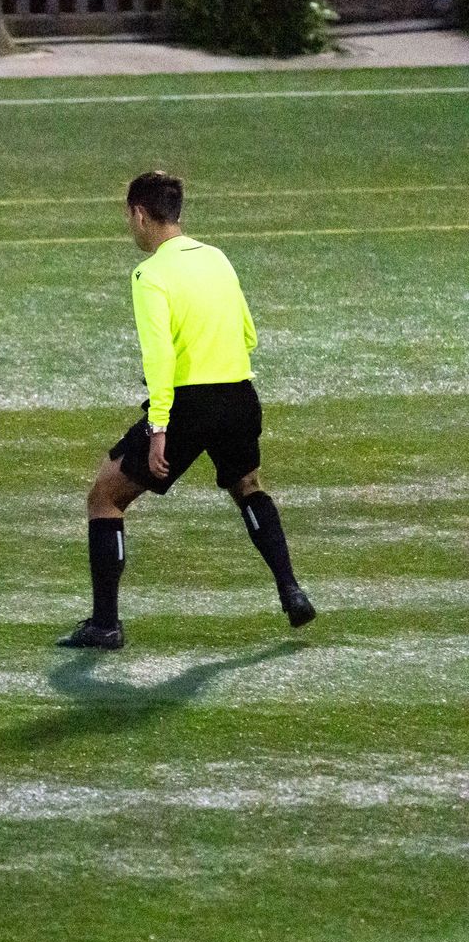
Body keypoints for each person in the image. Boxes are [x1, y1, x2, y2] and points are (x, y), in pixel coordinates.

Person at [58, 171, 315, 651]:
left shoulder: (150, 274)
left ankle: (105, 625)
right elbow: (248, 334)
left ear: (139, 214)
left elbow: (160, 360)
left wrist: (159, 429)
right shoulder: (216, 257)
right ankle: (290, 588)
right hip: (240, 393)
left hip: (188, 405)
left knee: (105, 497)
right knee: (247, 486)